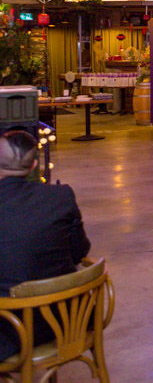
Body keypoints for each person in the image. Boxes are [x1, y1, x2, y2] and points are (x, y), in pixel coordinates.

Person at [0, 131, 91, 361]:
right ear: (33, 165)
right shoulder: (61, 196)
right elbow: (80, 252)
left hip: (9, 333)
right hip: (67, 320)